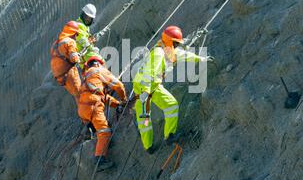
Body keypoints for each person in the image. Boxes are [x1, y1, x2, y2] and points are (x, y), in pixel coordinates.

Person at [133, 25, 214, 154]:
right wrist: (145, 92)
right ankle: (148, 146)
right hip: (143, 86)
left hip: (154, 85)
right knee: (145, 118)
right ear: (170, 41)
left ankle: (169, 135)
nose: (177, 46)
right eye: (175, 43)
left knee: (171, 105)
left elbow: (184, 55)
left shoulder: (168, 50)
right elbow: (149, 73)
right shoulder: (159, 53)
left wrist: (201, 59)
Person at [78, 56, 128, 171]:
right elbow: (118, 86)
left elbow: (102, 96)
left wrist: (117, 104)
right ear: (98, 64)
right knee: (105, 132)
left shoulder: (87, 77)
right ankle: (100, 160)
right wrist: (124, 99)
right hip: (93, 107)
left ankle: (91, 129)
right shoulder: (99, 70)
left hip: (83, 109)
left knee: (99, 128)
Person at [50, 21, 83, 116]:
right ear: (73, 33)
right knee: (81, 96)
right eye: (76, 34)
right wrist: (78, 56)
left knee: (77, 96)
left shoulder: (55, 44)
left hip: (60, 77)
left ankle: (86, 119)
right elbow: (74, 59)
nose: (76, 37)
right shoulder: (70, 42)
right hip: (68, 73)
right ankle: (89, 120)